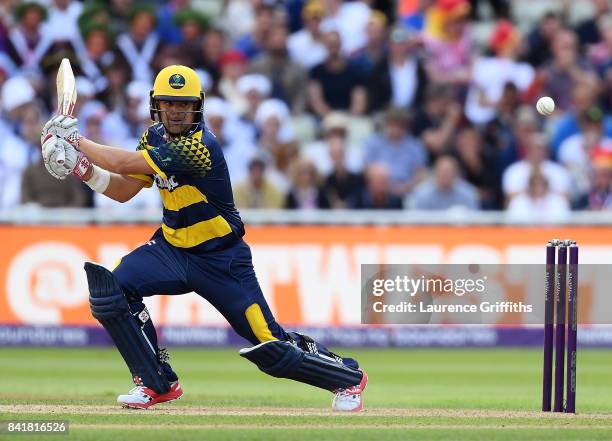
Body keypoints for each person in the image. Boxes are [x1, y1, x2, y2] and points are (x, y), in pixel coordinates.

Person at [39, 65, 367, 411]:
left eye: (184, 104)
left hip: (221, 259)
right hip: (170, 249)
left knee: (269, 343)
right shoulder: (153, 136)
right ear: (157, 105)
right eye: (169, 103)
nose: (177, 111)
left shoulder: (200, 146)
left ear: (198, 106)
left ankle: (346, 378)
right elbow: (124, 190)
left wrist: (75, 140)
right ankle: (156, 382)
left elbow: (124, 163)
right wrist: (81, 167)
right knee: (113, 290)